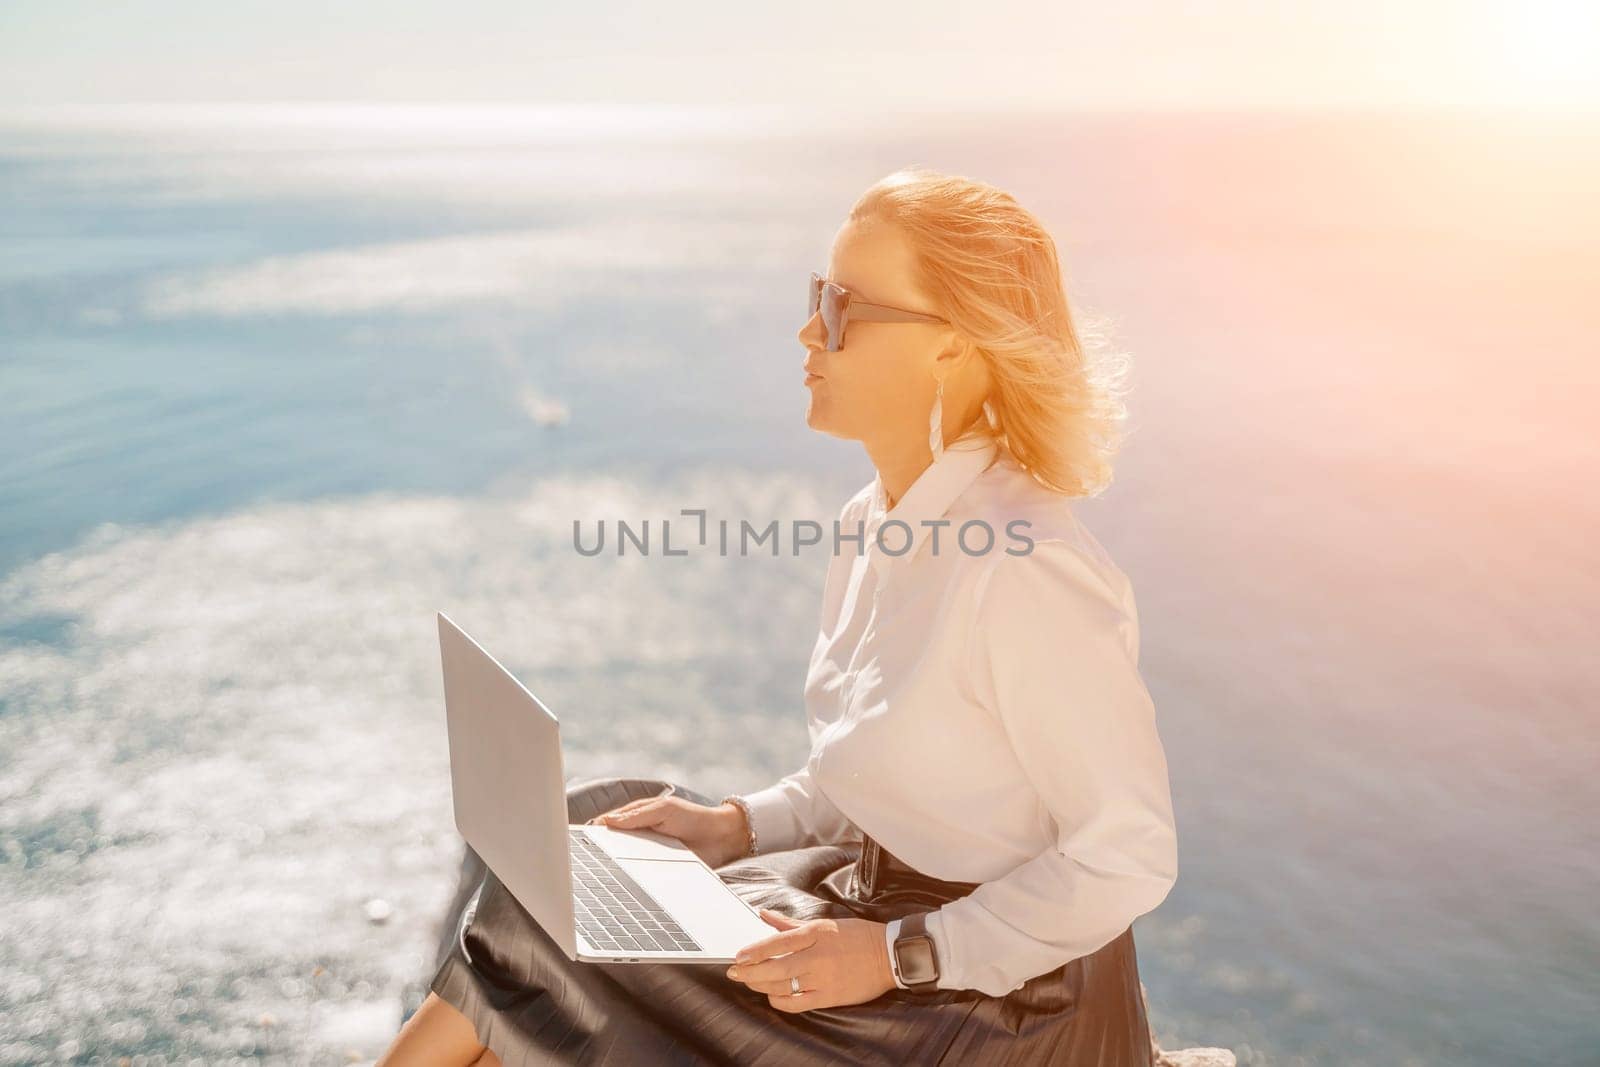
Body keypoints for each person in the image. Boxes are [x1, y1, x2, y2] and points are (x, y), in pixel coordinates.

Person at [377, 165, 1179, 1066]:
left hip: (1000, 1005)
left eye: (842, 307)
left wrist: (897, 953)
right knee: (585, 826)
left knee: (539, 919)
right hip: (885, 924)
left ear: (952, 346)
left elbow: (1129, 856)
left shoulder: (1030, 571)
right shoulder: (869, 525)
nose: (808, 331)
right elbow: (882, 777)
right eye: (816, 296)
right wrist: (736, 826)